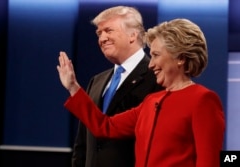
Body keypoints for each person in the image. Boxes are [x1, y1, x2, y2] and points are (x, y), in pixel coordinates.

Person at [57, 18, 225, 167]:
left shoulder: (203, 100)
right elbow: (105, 127)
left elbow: (209, 162)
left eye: (156, 55)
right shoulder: (151, 101)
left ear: (180, 58)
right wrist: (73, 87)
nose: (151, 64)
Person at [68, 6, 163, 167]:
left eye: (108, 31)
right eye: (99, 33)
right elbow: (83, 142)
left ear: (132, 35)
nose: (102, 38)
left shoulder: (157, 77)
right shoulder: (96, 81)